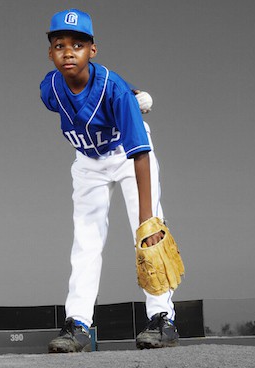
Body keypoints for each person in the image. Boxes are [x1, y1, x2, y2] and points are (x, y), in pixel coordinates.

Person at [39, 9, 184, 352]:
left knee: (149, 236)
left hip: (126, 156)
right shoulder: (49, 89)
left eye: (78, 43)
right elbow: (76, 98)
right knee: (85, 242)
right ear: (50, 53)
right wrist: (133, 97)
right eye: (60, 44)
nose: (69, 51)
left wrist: (148, 222)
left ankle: (163, 319)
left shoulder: (113, 89)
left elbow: (141, 154)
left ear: (93, 50)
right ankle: (78, 325)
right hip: (88, 163)